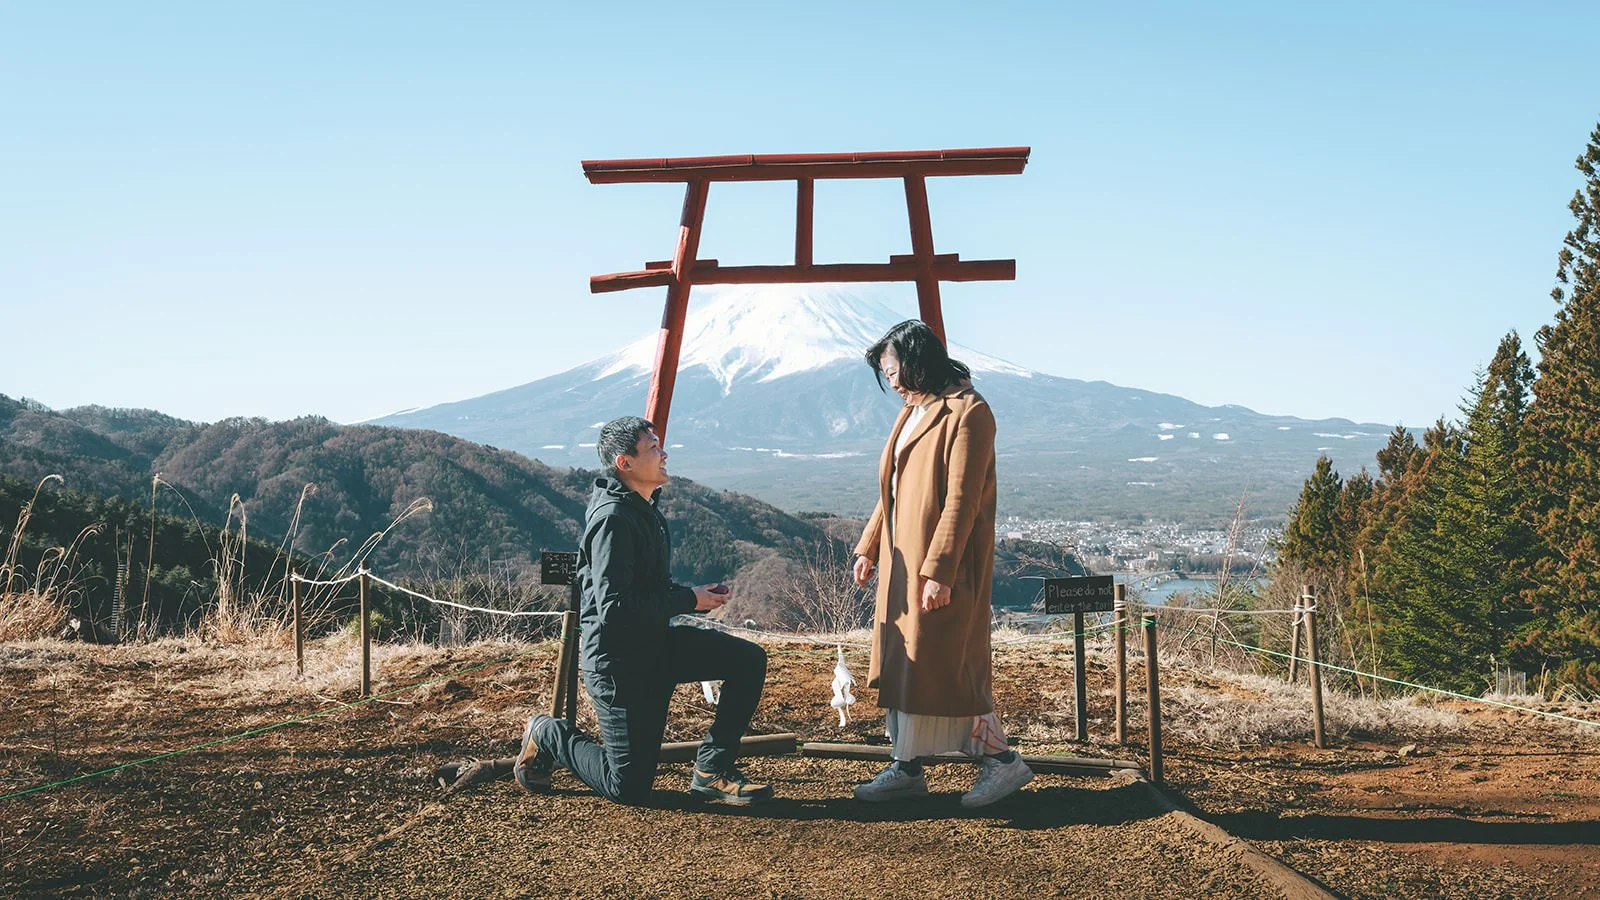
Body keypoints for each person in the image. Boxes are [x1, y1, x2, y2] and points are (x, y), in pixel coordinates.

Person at [513, 416, 773, 806]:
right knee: (628, 787)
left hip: (654, 646)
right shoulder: (614, 520)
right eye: (653, 447)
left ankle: (712, 771)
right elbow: (613, 609)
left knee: (748, 660)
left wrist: (695, 594)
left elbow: (644, 589)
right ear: (625, 463)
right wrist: (690, 601)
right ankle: (548, 733)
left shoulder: (642, 507)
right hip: (618, 665)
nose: (664, 453)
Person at [850, 320, 1034, 809]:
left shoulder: (969, 412)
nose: (890, 381)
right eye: (886, 372)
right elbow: (892, 487)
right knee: (906, 665)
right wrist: (869, 544)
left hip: (938, 567)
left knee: (950, 667)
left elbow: (962, 500)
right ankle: (907, 766)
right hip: (900, 561)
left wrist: (941, 571)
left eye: (893, 369)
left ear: (916, 360)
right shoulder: (914, 408)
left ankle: (1002, 762)